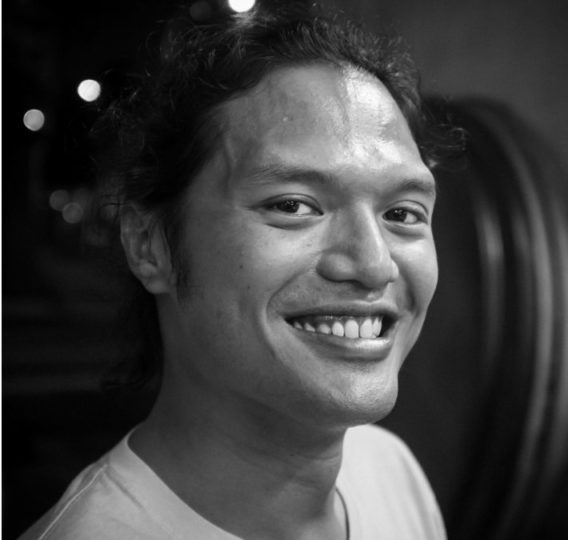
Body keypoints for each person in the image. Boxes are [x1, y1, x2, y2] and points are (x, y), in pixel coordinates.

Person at [21, 4, 446, 539]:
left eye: (403, 214)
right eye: (293, 205)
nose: (372, 264)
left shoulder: (390, 472)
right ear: (150, 245)